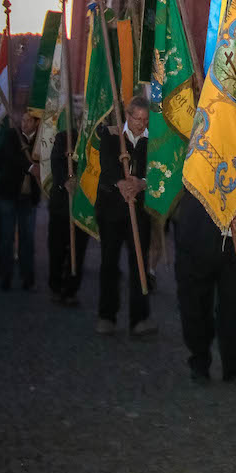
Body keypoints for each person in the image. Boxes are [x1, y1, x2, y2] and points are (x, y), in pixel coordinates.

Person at [173, 181, 236, 382]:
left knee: (234, 303)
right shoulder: (188, 149)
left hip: (235, 238)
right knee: (194, 304)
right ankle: (199, 360)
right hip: (195, 234)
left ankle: (235, 363)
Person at [95, 95, 155, 334]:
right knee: (109, 263)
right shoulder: (111, 137)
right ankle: (106, 315)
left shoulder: (153, 141)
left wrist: (141, 183)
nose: (140, 124)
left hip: (139, 213)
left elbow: (157, 171)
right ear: (127, 116)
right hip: (111, 210)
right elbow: (107, 168)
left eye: (144, 119)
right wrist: (121, 184)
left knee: (138, 263)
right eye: (136, 118)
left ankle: (139, 318)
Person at [0, 113, 41, 289]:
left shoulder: (41, 140)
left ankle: (28, 278)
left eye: (28, 120)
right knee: (6, 237)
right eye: (23, 120)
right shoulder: (12, 136)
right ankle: (5, 276)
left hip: (28, 198)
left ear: (37, 122)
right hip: (8, 195)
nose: (24, 123)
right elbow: (9, 157)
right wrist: (29, 167)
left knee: (27, 239)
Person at [48, 118, 87, 305]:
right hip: (61, 205)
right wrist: (65, 180)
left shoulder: (93, 140)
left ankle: (71, 289)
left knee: (78, 250)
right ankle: (55, 285)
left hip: (82, 206)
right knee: (56, 247)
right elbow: (55, 162)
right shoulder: (64, 138)